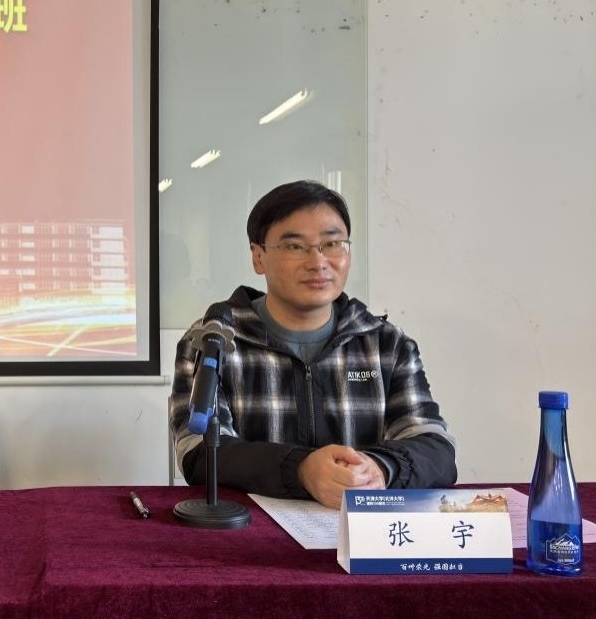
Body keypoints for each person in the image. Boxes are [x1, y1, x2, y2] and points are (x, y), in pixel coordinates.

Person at [168, 180, 455, 509]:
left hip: (361, 528)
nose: (318, 262)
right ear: (258, 257)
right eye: (295, 246)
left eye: (332, 244)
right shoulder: (214, 340)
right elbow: (198, 452)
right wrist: (301, 470)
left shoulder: (386, 344)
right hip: (253, 530)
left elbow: (436, 447)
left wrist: (380, 468)